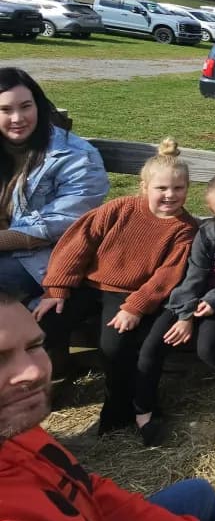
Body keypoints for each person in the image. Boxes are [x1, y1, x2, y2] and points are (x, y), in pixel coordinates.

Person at [0, 291, 215, 521]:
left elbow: (81, 490)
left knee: (196, 497)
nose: (32, 372)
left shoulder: (14, 431)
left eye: (34, 346)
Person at [33, 139, 197, 443]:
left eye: (179, 189)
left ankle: (118, 408)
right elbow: (79, 243)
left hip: (126, 294)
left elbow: (168, 275)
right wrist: (57, 288)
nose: (170, 195)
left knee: (114, 346)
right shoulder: (120, 209)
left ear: (187, 189)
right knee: (44, 326)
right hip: (89, 283)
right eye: (161, 188)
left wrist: (136, 306)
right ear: (144, 186)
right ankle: (35, 393)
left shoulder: (184, 229)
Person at [132, 173, 215, 445]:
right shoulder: (210, 232)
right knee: (152, 346)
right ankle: (143, 411)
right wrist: (185, 314)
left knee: (207, 348)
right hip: (189, 298)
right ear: (213, 213)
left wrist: (214, 303)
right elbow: (194, 275)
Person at [0, 67, 108, 301]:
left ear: (38, 105)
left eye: (25, 107)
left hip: (40, 260)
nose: (17, 118)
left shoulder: (77, 156)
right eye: (5, 110)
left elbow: (60, 224)